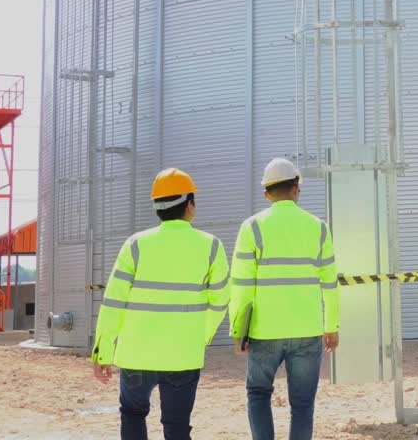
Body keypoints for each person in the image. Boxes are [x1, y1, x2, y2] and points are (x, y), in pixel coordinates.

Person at [90, 168, 230, 440]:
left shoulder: (135, 245)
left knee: (132, 414)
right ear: (189, 205)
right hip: (183, 355)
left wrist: (103, 352)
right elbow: (220, 300)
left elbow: (113, 303)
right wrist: (200, 337)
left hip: (136, 354)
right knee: (177, 427)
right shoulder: (211, 246)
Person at [230, 158, 340, 440]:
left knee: (258, 394)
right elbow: (330, 283)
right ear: (297, 188)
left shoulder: (251, 228)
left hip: (264, 331)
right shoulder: (318, 228)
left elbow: (241, 285)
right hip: (307, 330)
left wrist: (237, 331)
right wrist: (332, 326)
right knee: (302, 405)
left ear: (266, 193)